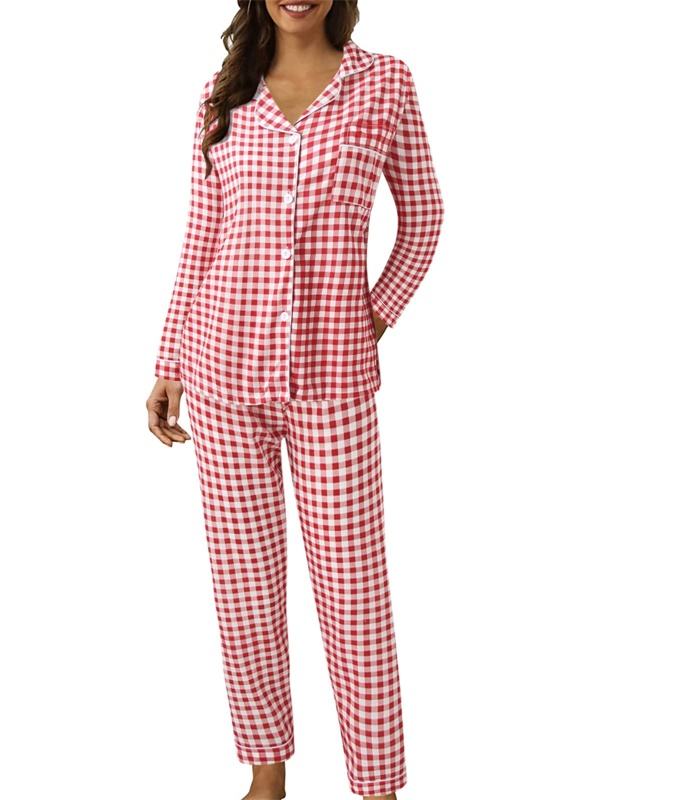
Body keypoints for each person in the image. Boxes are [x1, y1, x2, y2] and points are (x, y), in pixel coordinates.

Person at [146, 1, 443, 797]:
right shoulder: (223, 92)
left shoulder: (385, 84)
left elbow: (424, 218)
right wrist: (170, 358)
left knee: (354, 591)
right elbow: (202, 235)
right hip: (221, 369)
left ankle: (376, 786)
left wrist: (372, 316)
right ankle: (267, 775)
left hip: (332, 383)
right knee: (244, 584)